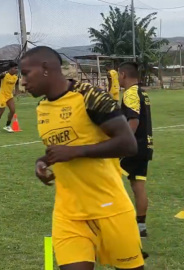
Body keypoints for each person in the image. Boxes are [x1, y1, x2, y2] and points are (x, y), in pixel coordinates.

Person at [20, 46, 146, 270]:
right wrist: (43, 161)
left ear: (46, 68)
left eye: (26, 73)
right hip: (68, 213)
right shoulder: (42, 108)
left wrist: (77, 152)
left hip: (110, 208)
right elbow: (62, 149)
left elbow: (128, 143)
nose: (22, 81)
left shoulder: (89, 96)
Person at [118, 62, 153, 239]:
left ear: (123, 74)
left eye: (118, 75)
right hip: (145, 146)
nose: (117, 78)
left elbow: (133, 121)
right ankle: (141, 227)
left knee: (109, 181)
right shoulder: (143, 92)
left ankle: (113, 222)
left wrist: (122, 142)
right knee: (138, 186)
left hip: (132, 147)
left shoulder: (130, 93)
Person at [0, 62, 19, 133]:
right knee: (2, 110)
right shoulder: (4, 74)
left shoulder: (16, 76)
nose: (16, 70)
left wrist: (16, 93)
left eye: (17, 68)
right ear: (11, 68)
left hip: (9, 95)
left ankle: (7, 126)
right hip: (2, 95)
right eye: (15, 68)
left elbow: (17, 85)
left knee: (13, 110)